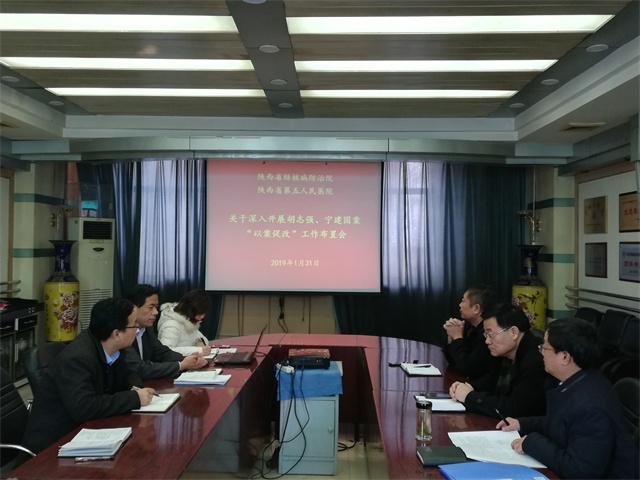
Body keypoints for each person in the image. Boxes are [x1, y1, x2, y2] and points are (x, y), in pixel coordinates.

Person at [498, 318, 639, 479]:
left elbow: (579, 471)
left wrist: (532, 442)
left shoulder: (589, 405)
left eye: (545, 348)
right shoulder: (582, 379)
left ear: (565, 357)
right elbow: (562, 423)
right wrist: (522, 424)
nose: (541, 353)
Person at [23, 298, 156, 454]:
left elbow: (128, 374)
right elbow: (84, 407)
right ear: (116, 334)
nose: (137, 330)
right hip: (52, 447)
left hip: (84, 433)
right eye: (134, 326)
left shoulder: (112, 347)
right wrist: (134, 398)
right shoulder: (78, 358)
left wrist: (136, 388)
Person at [449, 303, 550, 418]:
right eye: (486, 335)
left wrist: (469, 396)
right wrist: (469, 386)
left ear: (514, 332)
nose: (487, 341)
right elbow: (491, 381)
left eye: (491, 334)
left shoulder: (536, 360)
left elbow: (513, 408)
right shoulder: (503, 353)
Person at [123, 284, 208, 379]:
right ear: (133, 308)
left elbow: (162, 352)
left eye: (156, 307)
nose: (155, 312)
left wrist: (189, 359)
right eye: (150, 307)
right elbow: (139, 368)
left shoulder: (146, 329)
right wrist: (181, 365)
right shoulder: (123, 332)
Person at [443, 284, 499, 380]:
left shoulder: (488, 335)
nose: (460, 305)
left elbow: (467, 369)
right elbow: (453, 361)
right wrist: (451, 337)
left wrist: (457, 337)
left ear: (476, 308)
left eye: (463, 301)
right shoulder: (469, 327)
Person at [157, 289, 213, 356]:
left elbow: (201, 338)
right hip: (177, 362)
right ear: (191, 309)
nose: (202, 317)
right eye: (200, 313)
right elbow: (167, 352)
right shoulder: (171, 325)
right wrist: (199, 350)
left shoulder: (189, 321)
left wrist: (199, 342)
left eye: (204, 313)